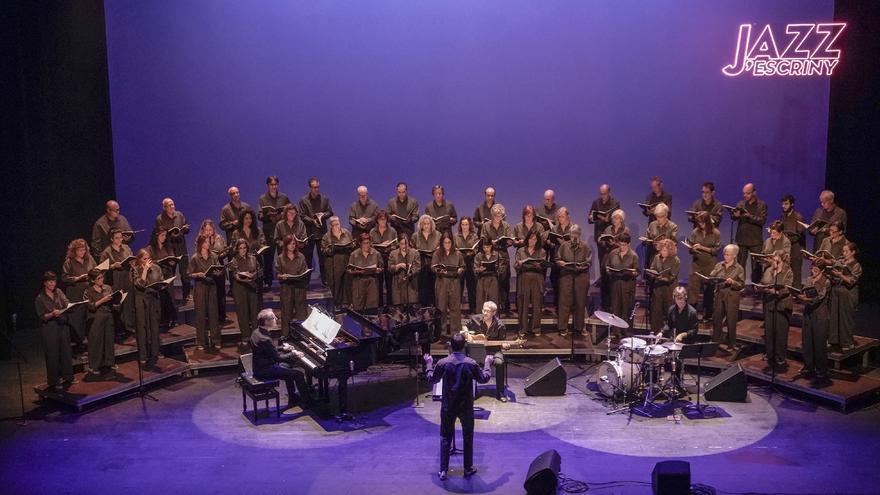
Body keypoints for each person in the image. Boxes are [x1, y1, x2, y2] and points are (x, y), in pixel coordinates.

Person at [423, 333, 493, 481]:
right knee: (468, 436)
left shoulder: (442, 363)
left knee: (445, 436)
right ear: (464, 346)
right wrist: (487, 363)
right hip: (466, 406)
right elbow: (484, 379)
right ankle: (467, 469)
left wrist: (428, 363)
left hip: (448, 406)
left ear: (450, 346)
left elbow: (431, 379)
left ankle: (443, 471)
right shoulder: (471, 363)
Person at [250, 309, 313, 410]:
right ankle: (307, 402)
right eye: (273, 318)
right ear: (266, 322)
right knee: (298, 374)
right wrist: (294, 354)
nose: (276, 319)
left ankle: (292, 398)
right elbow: (277, 358)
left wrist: (282, 348)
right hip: (265, 370)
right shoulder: (265, 338)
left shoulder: (257, 332)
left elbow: (268, 351)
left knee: (287, 368)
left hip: (260, 366)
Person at [35, 271, 75, 390]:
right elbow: (42, 316)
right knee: (52, 354)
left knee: (66, 351)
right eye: (51, 282)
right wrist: (52, 314)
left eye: (54, 281)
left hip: (62, 325)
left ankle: (68, 377)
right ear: (45, 283)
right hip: (50, 328)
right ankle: (53, 381)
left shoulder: (58, 292)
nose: (53, 284)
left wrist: (70, 306)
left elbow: (66, 303)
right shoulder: (40, 298)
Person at [465, 301, 510, 401]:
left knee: (500, 362)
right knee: (469, 362)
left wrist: (505, 346)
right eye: (483, 310)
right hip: (478, 350)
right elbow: (465, 326)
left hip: (494, 351)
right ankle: (470, 391)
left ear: (494, 313)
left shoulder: (500, 325)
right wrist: (468, 335)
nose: (484, 313)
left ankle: (501, 392)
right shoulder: (476, 319)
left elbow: (502, 342)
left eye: (487, 311)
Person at [757, 252, 794, 373]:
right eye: (772, 259)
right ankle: (770, 357)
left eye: (774, 259)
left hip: (782, 306)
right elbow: (763, 282)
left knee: (780, 334)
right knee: (770, 332)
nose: (772, 261)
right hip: (770, 304)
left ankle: (780, 360)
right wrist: (760, 287)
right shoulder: (769, 270)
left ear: (781, 259)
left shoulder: (788, 271)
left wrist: (774, 291)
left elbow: (787, 289)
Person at [556, 224, 592, 337]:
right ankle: (562, 327)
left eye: (576, 234)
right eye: (572, 234)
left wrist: (582, 267)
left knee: (580, 302)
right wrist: (560, 262)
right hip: (566, 275)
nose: (574, 236)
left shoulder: (585, 247)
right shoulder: (564, 246)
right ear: (570, 235)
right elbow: (557, 259)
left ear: (579, 235)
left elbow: (588, 262)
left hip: (581, 276)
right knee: (564, 302)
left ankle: (579, 327)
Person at [100, 228, 136, 338]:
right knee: (118, 305)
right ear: (111, 239)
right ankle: (118, 330)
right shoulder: (106, 252)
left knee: (128, 304)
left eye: (121, 237)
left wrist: (132, 262)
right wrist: (112, 266)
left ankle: (129, 327)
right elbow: (101, 268)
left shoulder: (126, 248)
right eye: (117, 238)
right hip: (115, 279)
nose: (120, 240)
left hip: (127, 278)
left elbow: (132, 260)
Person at [797, 264, 830, 384]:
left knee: (819, 342)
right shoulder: (809, 280)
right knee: (807, 340)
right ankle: (808, 367)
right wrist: (800, 296)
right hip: (808, 313)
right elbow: (804, 292)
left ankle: (821, 370)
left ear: (822, 270)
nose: (813, 271)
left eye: (816, 269)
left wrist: (807, 299)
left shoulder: (826, 281)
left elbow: (820, 297)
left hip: (820, 314)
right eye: (812, 268)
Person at [685, 211, 721, 321]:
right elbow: (690, 246)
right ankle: (692, 315)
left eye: (702, 223)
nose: (700, 225)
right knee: (693, 290)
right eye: (699, 223)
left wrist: (702, 248)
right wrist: (692, 248)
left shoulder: (715, 233)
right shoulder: (695, 232)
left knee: (709, 290)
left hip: (709, 265)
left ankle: (707, 315)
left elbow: (716, 250)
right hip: (697, 264)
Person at [62, 238, 95, 352]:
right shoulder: (69, 262)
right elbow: (64, 278)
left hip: (89, 292)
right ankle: (79, 345)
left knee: (90, 317)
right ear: (74, 251)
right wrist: (78, 278)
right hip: (76, 293)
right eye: (80, 250)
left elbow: (95, 271)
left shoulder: (89, 259)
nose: (82, 253)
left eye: (84, 250)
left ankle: (91, 342)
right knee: (77, 320)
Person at [827, 241, 861, 351]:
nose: (844, 253)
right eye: (843, 251)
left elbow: (851, 281)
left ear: (853, 252)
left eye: (846, 251)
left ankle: (847, 342)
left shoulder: (856, 266)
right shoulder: (840, 261)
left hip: (848, 294)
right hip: (836, 292)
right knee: (834, 316)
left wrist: (840, 275)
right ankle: (833, 340)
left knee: (845, 318)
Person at [709, 245, 746, 349]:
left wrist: (732, 282)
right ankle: (715, 342)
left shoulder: (739, 268)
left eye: (728, 254)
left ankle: (731, 344)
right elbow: (712, 277)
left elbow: (741, 284)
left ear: (734, 256)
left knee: (731, 321)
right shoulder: (719, 265)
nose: (726, 256)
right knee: (717, 319)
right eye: (725, 254)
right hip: (719, 295)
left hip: (731, 296)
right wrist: (712, 276)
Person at [299, 177, 334, 285]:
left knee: (323, 258)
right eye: (314, 187)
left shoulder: (324, 199)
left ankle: (325, 280)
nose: (316, 189)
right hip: (309, 232)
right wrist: (312, 221)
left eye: (317, 187)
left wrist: (323, 215)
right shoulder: (304, 200)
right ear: (309, 188)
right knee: (308, 258)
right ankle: (307, 281)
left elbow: (330, 212)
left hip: (322, 232)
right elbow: (302, 215)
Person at [190, 235, 222, 351]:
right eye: (206, 242)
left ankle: (216, 340)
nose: (208, 244)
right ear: (201, 244)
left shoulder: (213, 256)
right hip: (200, 287)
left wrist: (219, 272)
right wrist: (198, 274)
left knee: (213, 314)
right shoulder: (195, 257)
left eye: (209, 242)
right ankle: (201, 342)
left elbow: (218, 269)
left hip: (211, 286)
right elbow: (190, 274)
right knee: (200, 315)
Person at [132, 248, 163, 368]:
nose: (148, 261)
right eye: (145, 259)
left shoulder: (156, 268)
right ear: (139, 260)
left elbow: (160, 281)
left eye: (148, 258)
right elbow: (140, 284)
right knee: (142, 328)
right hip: (141, 300)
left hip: (154, 298)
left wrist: (162, 285)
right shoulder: (135, 270)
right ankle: (143, 356)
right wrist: (145, 270)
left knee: (154, 327)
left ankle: (155, 352)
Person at [258, 176, 291, 287]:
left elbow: (291, 210)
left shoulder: (284, 197)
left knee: (284, 255)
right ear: (268, 185)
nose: (274, 186)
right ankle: (268, 281)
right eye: (272, 185)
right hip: (269, 231)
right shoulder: (263, 198)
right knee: (269, 257)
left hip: (282, 231)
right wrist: (268, 215)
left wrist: (283, 215)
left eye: (276, 184)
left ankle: (285, 279)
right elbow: (259, 215)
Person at [155, 198, 191, 300]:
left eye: (173, 204)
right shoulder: (160, 219)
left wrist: (184, 230)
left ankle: (187, 295)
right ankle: (170, 296)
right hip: (169, 249)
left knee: (185, 272)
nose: (172, 207)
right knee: (170, 272)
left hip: (181, 246)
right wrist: (170, 235)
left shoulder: (179, 215)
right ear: (164, 207)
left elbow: (186, 226)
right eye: (169, 205)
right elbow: (160, 234)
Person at [481, 203, 514, 314]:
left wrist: (508, 241)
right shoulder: (486, 226)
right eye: (495, 215)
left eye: (499, 215)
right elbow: (483, 240)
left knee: (504, 283)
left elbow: (510, 240)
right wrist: (491, 242)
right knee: (492, 283)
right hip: (490, 256)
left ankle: (505, 307)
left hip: (503, 256)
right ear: (492, 215)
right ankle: (492, 308)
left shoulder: (506, 226)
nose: (497, 217)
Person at [732, 183, 768, 284]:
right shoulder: (740, 204)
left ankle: (756, 287)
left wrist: (749, 216)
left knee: (756, 265)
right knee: (740, 264)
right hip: (742, 238)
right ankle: (739, 286)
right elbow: (734, 218)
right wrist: (735, 215)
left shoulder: (762, 205)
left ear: (754, 193)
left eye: (748, 193)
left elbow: (762, 220)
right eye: (744, 193)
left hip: (755, 239)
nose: (745, 195)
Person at [229, 238, 262, 346]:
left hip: (251, 286)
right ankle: (245, 337)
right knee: (242, 313)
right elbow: (235, 275)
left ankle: (256, 336)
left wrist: (254, 275)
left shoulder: (252, 258)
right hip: (240, 288)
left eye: (244, 248)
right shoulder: (234, 260)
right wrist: (243, 277)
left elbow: (259, 270)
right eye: (240, 248)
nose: (243, 250)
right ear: (237, 249)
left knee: (254, 313)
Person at [276, 235, 310, 338]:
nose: (292, 246)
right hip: (286, 287)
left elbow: (305, 270)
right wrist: (282, 276)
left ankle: (302, 335)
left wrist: (304, 274)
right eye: (290, 244)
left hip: (299, 287)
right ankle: (285, 335)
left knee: (301, 312)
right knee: (286, 312)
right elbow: (277, 273)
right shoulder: (280, 258)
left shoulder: (301, 256)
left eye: (294, 244)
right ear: (286, 245)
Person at [606, 232, 640, 336]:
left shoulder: (633, 255)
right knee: (615, 307)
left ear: (628, 244)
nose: (622, 247)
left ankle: (626, 332)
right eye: (620, 244)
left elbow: (637, 271)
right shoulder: (613, 253)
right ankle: (616, 332)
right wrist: (609, 270)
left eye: (624, 245)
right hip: (616, 284)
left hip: (627, 285)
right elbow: (607, 266)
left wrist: (632, 272)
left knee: (627, 308)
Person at [84, 268, 116, 376]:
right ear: (93, 280)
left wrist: (116, 301)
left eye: (102, 277)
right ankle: (94, 366)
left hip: (108, 315)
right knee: (96, 342)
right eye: (99, 278)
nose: (101, 280)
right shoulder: (88, 291)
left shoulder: (107, 288)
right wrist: (102, 300)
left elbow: (113, 300)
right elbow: (90, 306)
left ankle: (109, 363)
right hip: (96, 317)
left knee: (109, 340)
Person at [514, 230, 547, 337]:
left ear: (537, 240)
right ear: (527, 238)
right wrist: (519, 264)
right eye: (530, 238)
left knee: (537, 304)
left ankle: (536, 328)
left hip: (537, 278)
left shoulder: (541, 251)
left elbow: (543, 265)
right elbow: (516, 265)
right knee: (523, 303)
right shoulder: (521, 250)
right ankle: (523, 329)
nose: (532, 241)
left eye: (534, 239)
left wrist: (538, 265)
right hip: (524, 278)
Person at [432, 232, 465, 333]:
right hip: (442, 281)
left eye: (449, 242)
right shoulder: (437, 253)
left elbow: (463, 266)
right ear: (442, 243)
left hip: (454, 282)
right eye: (445, 242)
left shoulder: (457, 253)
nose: (447, 245)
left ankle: (455, 331)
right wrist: (440, 271)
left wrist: (460, 270)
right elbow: (433, 267)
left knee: (455, 308)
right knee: (441, 307)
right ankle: (441, 331)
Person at [147, 226, 179, 329]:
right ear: (156, 236)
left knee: (170, 298)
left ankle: (172, 319)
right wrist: (157, 262)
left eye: (165, 235)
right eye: (162, 235)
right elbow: (148, 261)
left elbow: (172, 259)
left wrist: (172, 261)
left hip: (167, 275)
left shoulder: (168, 247)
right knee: (161, 299)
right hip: (156, 277)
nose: (164, 237)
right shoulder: (150, 248)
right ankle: (162, 321)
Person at [197, 220, 228, 323]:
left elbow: (225, 251)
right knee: (209, 294)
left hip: (218, 266)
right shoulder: (200, 239)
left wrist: (220, 255)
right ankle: (209, 316)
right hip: (206, 269)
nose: (208, 232)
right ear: (203, 230)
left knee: (220, 293)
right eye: (206, 230)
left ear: (213, 229)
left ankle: (221, 315)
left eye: (210, 229)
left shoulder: (219, 238)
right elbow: (197, 252)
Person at [598, 209, 629, 311]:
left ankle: (615, 306)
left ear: (621, 219)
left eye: (617, 218)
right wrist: (602, 240)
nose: (615, 220)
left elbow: (626, 244)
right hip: (608, 256)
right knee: (605, 281)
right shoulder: (608, 229)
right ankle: (605, 306)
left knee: (615, 282)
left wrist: (615, 244)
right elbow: (602, 242)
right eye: (614, 218)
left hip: (619, 257)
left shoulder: (625, 230)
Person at [647, 238, 680, 333]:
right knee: (656, 312)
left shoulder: (675, 260)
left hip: (669, 289)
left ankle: (670, 335)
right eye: (662, 250)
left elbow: (672, 276)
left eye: (665, 250)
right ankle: (655, 333)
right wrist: (652, 273)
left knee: (669, 313)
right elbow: (652, 268)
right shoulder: (657, 257)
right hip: (657, 288)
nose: (663, 252)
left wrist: (662, 277)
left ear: (670, 250)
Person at [320, 216, 354, 307]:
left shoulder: (346, 233)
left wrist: (349, 246)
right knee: (337, 285)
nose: (336, 226)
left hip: (346, 261)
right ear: (331, 226)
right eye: (334, 225)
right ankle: (337, 305)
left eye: (337, 224)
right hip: (333, 264)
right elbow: (323, 251)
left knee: (347, 283)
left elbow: (353, 244)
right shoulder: (326, 237)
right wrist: (332, 249)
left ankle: (348, 304)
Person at [347, 233, 383, 311]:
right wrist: (356, 271)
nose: (367, 245)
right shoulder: (354, 254)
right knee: (358, 308)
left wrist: (378, 270)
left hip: (372, 282)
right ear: (360, 244)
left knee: (372, 308)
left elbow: (381, 268)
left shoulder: (376, 254)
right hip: (358, 282)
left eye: (368, 243)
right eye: (364, 243)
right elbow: (349, 270)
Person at [369, 210, 398, 306]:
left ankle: (390, 304)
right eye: (380, 219)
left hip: (389, 258)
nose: (382, 221)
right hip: (377, 258)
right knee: (378, 282)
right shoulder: (372, 232)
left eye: (384, 219)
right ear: (377, 220)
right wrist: (380, 245)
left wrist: (389, 247)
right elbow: (370, 246)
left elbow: (396, 245)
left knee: (390, 282)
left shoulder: (392, 231)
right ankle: (380, 304)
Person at [412, 214, 442, 306]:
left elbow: (442, 248)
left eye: (428, 223)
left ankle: (434, 310)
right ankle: (423, 310)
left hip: (434, 264)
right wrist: (415, 251)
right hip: (421, 265)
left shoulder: (438, 235)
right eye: (424, 224)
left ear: (431, 224)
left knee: (433, 289)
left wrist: (438, 250)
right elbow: (411, 248)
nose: (426, 226)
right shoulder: (415, 236)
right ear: (421, 225)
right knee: (422, 290)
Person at [779, 194, 807, 288]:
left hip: (796, 248)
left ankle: (796, 292)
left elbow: (798, 236)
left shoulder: (798, 217)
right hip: (787, 248)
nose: (784, 206)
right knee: (786, 270)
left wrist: (786, 237)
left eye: (786, 204)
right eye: (783, 204)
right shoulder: (783, 216)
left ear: (792, 204)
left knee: (796, 271)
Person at [455, 217, 480, 313]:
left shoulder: (474, 236)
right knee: (459, 287)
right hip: (460, 263)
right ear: (460, 225)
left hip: (470, 262)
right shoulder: (456, 236)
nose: (464, 226)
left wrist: (471, 252)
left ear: (470, 225)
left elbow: (476, 248)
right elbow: (454, 248)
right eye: (463, 224)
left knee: (471, 287)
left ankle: (473, 308)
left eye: (466, 224)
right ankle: (457, 308)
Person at [473, 239, 503, 318]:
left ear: (491, 246)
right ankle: (481, 325)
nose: (486, 249)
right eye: (484, 247)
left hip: (493, 279)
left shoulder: (497, 255)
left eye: (488, 247)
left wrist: (497, 268)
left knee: (493, 301)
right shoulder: (479, 255)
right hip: (482, 279)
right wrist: (479, 269)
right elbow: (475, 269)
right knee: (481, 302)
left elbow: (502, 268)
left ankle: (494, 325)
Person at [388, 233, 420, 305]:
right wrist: (398, 266)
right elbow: (390, 268)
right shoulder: (393, 254)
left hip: (411, 286)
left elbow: (417, 267)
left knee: (411, 309)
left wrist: (410, 272)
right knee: (399, 310)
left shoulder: (415, 253)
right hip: (398, 286)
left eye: (406, 244)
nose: (404, 246)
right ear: (398, 243)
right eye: (402, 244)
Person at [643, 202, 678, 268]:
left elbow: (674, 243)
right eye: (657, 216)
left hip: (666, 257)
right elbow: (647, 237)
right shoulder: (652, 224)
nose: (658, 219)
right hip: (652, 255)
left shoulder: (672, 226)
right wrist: (645, 240)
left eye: (660, 216)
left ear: (666, 215)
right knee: (650, 275)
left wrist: (663, 244)